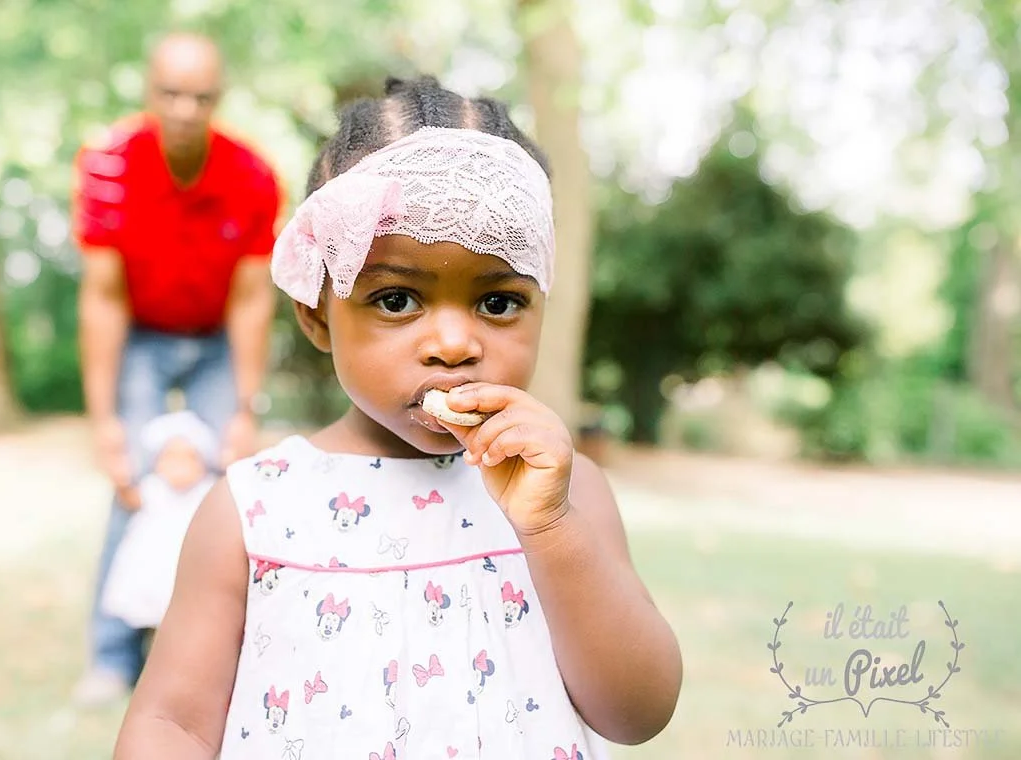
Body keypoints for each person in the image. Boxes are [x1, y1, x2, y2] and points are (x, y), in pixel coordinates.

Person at [114, 75, 682, 758]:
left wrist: (551, 528)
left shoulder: (567, 494)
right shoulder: (252, 509)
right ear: (318, 314)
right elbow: (171, 723)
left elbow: (638, 712)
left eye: (498, 303)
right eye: (395, 300)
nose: (453, 344)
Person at [71, 32, 282, 702]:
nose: (186, 109)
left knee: (231, 477)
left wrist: (245, 407)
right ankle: (110, 659)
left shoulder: (252, 175)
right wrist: (105, 420)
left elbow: (252, 303)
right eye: (171, 93)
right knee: (132, 479)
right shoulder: (108, 163)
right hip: (140, 332)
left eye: (201, 96)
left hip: (218, 334)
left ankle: (237, 649)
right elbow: (102, 299)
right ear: (149, 91)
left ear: (218, 98)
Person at [101, 411, 220, 635]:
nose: (179, 466)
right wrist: (121, 481)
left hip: (184, 570)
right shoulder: (155, 488)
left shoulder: (207, 491)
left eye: (188, 458)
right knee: (149, 619)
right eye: (170, 457)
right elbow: (131, 499)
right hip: (152, 569)